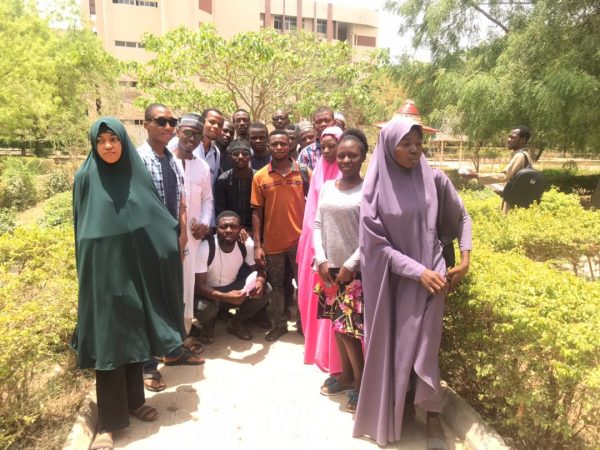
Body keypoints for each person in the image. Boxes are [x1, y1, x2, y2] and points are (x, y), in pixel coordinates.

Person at [353, 119, 472, 449]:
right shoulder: (374, 190)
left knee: (426, 348)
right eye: (405, 143)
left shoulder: (434, 178)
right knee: (395, 347)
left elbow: (462, 216)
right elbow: (376, 247)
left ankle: (432, 416)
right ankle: (397, 409)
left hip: (433, 281)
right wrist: (416, 271)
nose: (414, 149)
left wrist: (464, 259)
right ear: (389, 146)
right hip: (393, 283)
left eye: (418, 143)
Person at [72, 117, 186, 450]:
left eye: (114, 139)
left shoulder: (137, 175)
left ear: (123, 141)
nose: (108, 146)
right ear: (94, 145)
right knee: (109, 346)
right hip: (102, 278)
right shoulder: (84, 179)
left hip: (134, 273)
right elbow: (80, 229)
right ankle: (110, 423)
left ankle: (135, 401)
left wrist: (170, 241)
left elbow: (155, 218)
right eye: (101, 141)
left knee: (134, 337)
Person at [138, 104, 204, 392]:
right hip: (148, 243)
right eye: (160, 121)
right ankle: (148, 366)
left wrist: (182, 233)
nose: (167, 126)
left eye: (170, 121)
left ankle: (173, 351)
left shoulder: (173, 160)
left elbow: (182, 200)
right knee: (150, 303)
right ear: (146, 124)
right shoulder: (138, 159)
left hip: (172, 241)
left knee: (171, 298)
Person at [313, 128, 368, 413]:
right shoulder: (327, 187)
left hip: (354, 272)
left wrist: (350, 265)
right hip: (328, 270)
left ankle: (361, 384)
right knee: (336, 328)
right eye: (342, 155)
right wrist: (321, 259)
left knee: (348, 331)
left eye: (352, 155)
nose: (346, 160)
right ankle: (346, 376)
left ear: (363, 157)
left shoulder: (368, 191)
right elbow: (317, 224)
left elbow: (371, 235)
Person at [251, 130, 311, 341]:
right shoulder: (260, 176)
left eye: (283, 144)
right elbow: (257, 211)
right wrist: (257, 245)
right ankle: (279, 325)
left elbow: (315, 203)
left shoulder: (304, 172)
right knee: (276, 286)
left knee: (303, 284)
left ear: (290, 145)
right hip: (273, 242)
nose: (279, 147)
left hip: (300, 241)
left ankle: (304, 324)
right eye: (274, 144)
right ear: (268, 146)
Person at [296, 126, 343, 374]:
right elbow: (311, 210)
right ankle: (317, 349)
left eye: (331, 146)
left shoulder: (347, 175)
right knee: (313, 299)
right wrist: (313, 246)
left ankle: (335, 357)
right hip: (313, 243)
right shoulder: (317, 174)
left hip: (336, 245)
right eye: (322, 146)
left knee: (335, 300)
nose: (326, 151)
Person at [192, 211, 269, 342]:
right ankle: (208, 326)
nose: (228, 230)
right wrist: (224, 297)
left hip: (232, 288)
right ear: (217, 229)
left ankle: (236, 323)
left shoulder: (245, 243)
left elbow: (259, 269)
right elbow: (199, 286)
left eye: (233, 227)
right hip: (209, 293)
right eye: (223, 227)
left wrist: (260, 282)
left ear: (240, 229)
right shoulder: (205, 247)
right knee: (203, 308)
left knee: (266, 289)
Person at [172, 113, 214, 346]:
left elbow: (208, 200)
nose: (192, 138)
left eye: (198, 135)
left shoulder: (203, 167)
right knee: (169, 284)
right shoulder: (166, 161)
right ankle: (167, 337)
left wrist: (205, 224)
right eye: (188, 132)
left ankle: (184, 333)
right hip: (169, 236)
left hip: (193, 237)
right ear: (178, 131)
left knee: (187, 286)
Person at [461, 125, 533, 213]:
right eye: (509, 137)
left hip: (514, 204)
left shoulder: (520, 156)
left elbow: (504, 176)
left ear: (523, 140)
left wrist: (476, 175)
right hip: (521, 202)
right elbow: (518, 180)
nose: (509, 140)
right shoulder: (526, 155)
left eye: (513, 137)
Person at [214, 139, 255, 231]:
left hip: (255, 229)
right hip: (230, 230)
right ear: (230, 156)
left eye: (245, 154)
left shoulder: (258, 178)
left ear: (251, 156)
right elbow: (221, 212)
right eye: (236, 154)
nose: (240, 157)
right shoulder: (223, 180)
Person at [196, 108, 224, 185]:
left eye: (220, 125)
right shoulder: (188, 145)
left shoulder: (216, 153)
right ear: (201, 122)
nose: (216, 126)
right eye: (212, 122)